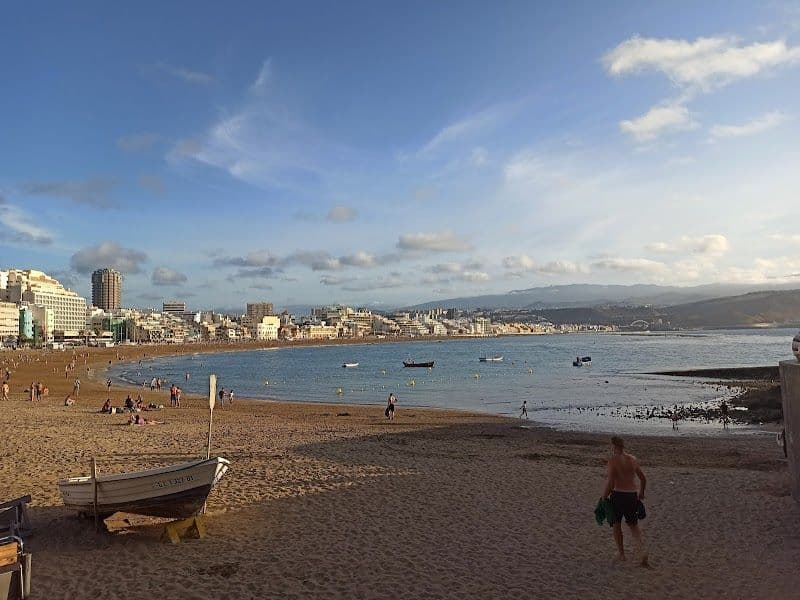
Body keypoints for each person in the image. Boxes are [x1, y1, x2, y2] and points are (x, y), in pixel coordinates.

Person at [602, 436, 648, 565]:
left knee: (616, 525)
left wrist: (604, 496)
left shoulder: (613, 460)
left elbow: (611, 482)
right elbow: (643, 478)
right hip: (632, 495)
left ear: (613, 446)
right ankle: (642, 551)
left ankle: (621, 554)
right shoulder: (632, 459)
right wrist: (641, 493)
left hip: (618, 495)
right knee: (633, 526)